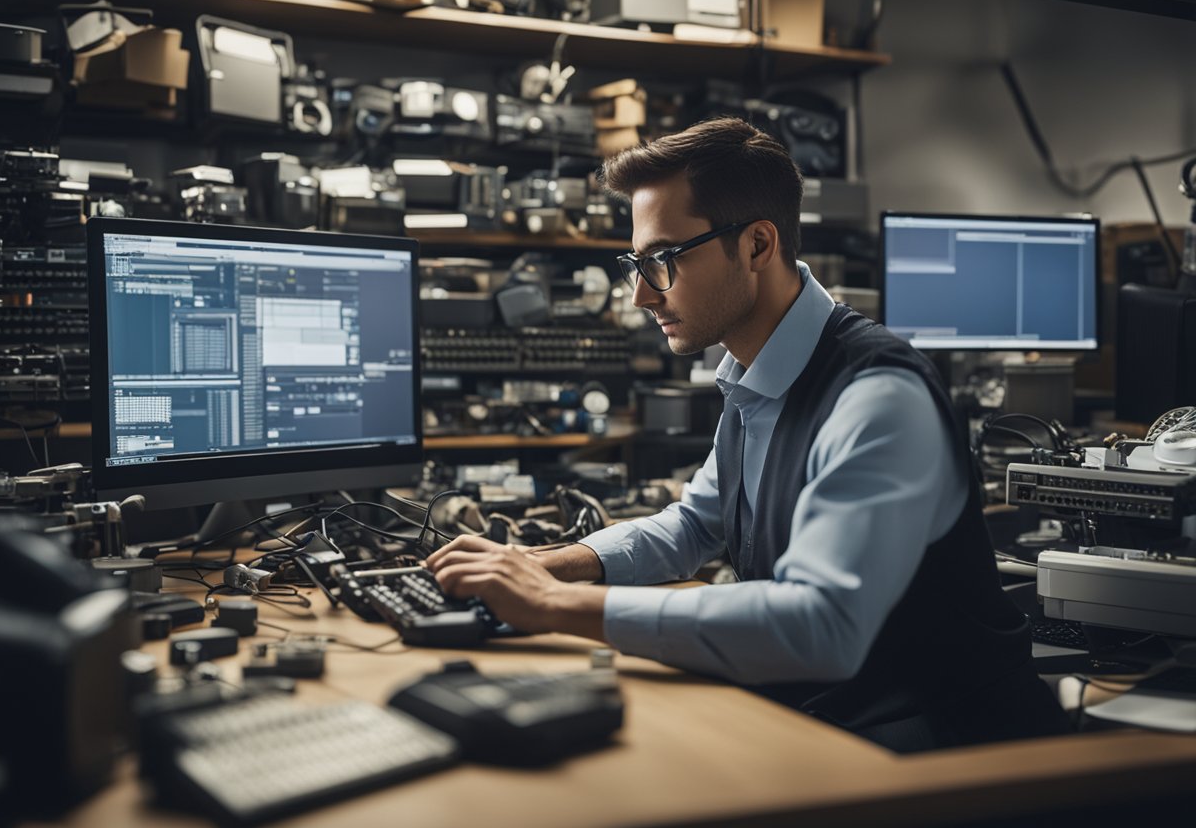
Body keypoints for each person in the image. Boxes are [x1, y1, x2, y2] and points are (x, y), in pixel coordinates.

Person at [427, 117, 1069, 751]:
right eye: (636, 264)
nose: (639, 297)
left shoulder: (878, 394)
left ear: (758, 245)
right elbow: (694, 527)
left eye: (663, 261)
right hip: (832, 723)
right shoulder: (754, 376)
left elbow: (820, 624)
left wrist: (551, 606)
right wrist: (546, 566)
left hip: (940, 757)